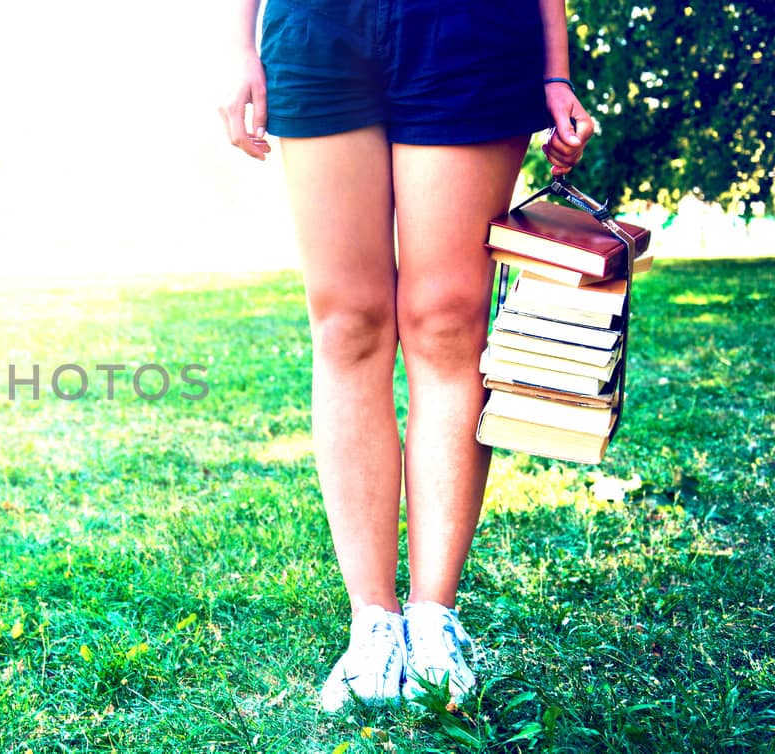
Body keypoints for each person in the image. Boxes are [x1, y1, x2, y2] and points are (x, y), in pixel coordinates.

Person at [219, 0, 593, 711]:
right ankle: (373, 624)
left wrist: (555, 70)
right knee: (347, 323)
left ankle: (433, 620)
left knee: (448, 322)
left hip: (471, 29)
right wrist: (239, 48)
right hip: (319, 31)